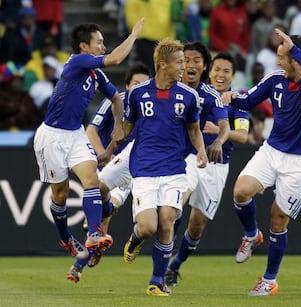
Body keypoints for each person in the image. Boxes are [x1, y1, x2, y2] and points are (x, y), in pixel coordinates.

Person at [221, 28, 301, 296]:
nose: (278, 62)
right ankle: (251, 234)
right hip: (272, 150)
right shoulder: (274, 80)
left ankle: (269, 281)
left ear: (295, 58)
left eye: (282, 57)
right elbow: (247, 100)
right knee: (240, 191)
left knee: (278, 220)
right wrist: (230, 97)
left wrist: (293, 48)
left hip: (300, 161)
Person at [33, 18, 144, 261]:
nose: (103, 47)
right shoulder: (78, 62)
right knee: (60, 195)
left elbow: (117, 99)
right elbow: (115, 59)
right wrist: (133, 35)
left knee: (92, 180)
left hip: (75, 134)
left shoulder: (96, 75)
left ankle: (94, 232)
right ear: (84, 46)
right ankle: (65, 237)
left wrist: (117, 127)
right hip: (51, 136)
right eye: (99, 42)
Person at [122, 37, 208, 297]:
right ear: (162, 65)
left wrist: (201, 150)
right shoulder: (138, 93)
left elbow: (194, 129)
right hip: (145, 170)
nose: (184, 66)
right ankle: (136, 237)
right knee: (148, 226)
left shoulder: (189, 96)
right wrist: (111, 144)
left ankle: (156, 281)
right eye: (179, 62)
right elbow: (126, 128)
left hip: (174, 170)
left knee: (167, 221)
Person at [165, 50, 248, 287]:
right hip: (190, 158)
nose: (221, 74)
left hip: (217, 167)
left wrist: (220, 133)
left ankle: (175, 265)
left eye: (226, 71)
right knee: (179, 199)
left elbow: (243, 136)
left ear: (233, 76)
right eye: (217, 70)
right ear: (209, 72)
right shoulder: (194, 93)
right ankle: (164, 254)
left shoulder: (238, 102)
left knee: (197, 224)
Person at [66, 62, 152, 283]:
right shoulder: (116, 101)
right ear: (127, 85)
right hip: (111, 163)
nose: (139, 88)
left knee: (106, 214)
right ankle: (90, 252)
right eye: (135, 84)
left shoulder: (151, 106)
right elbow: (91, 129)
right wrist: (104, 154)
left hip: (140, 166)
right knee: (101, 203)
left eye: (144, 84)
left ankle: (79, 264)